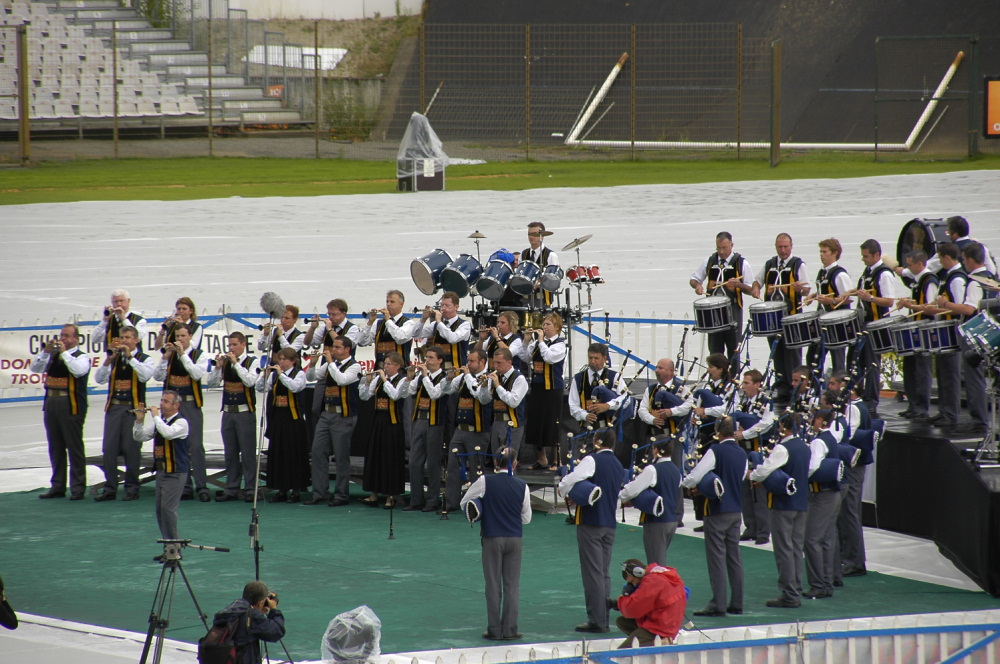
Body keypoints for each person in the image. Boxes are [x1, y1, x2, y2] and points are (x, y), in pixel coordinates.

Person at [558, 430, 625, 633]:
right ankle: (602, 616)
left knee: (592, 574)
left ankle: (596, 620)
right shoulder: (618, 465)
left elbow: (572, 479)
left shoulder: (591, 459)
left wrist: (564, 489)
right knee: (604, 573)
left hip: (591, 522)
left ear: (597, 442)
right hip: (609, 524)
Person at [682, 416, 747, 617]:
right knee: (734, 557)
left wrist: (688, 484)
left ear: (718, 432)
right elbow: (742, 477)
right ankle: (737, 602)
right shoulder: (742, 453)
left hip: (717, 510)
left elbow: (697, 474)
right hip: (736, 510)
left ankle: (718, 603)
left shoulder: (716, 450)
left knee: (716, 558)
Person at [460, 466, 531, 641]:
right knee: (512, 585)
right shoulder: (523, 485)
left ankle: (494, 629)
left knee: (492, 584)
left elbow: (465, 503)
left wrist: (484, 510)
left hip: (492, 538)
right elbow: (526, 518)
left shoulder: (485, 481)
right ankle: (510, 629)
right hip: (514, 539)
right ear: (514, 464)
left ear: (496, 463)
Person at [934, 242, 996, 435]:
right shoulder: (992, 278)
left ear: (969, 260)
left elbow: (970, 308)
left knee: (973, 378)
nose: (963, 263)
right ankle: (981, 418)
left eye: (964, 259)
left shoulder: (975, 281)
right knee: (981, 377)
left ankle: (979, 420)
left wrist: (947, 303)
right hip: (991, 332)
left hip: (975, 333)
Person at [93, 326, 157, 501]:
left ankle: (132, 488)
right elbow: (99, 379)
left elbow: (145, 376)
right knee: (109, 449)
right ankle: (110, 488)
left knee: (132, 449)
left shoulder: (145, 359)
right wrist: (107, 361)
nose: (124, 340)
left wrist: (130, 357)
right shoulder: (114, 358)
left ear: (136, 340)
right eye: (122, 337)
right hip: (114, 408)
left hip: (132, 408)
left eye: (128, 337)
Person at [29, 324, 91, 500]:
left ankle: (78, 487)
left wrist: (64, 353)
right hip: (52, 401)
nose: (63, 339)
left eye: (67, 336)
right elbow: (35, 369)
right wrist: (45, 352)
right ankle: (58, 485)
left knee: (74, 446)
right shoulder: (53, 355)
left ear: (76, 339)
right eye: (62, 335)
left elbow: (78, 372)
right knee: (55, 446)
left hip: (70, 404)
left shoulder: (81, 357)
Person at [153, 324, 210, 502]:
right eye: (177, 336)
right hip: (172, 407)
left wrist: (182, 354)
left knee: (196, 446)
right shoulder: (170, 355)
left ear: (190, 336)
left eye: (183, 336)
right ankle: (184, 486)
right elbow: (158, 377)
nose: (180, 339)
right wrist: (164, 358)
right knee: (178, 447)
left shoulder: (198, 354)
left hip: (190, 404)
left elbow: (196, 374)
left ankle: (202, 485)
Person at [752, 233, 810, 406]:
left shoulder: (798, 265)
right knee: (777, 355)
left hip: (791, 318)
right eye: (780, 247)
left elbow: (807, 290)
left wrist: (801, 289)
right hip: (773, 320)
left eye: (786, 247)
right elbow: (757, 281)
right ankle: (783, 389)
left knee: (793, 356)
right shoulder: (770, 264)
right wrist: (756, 289)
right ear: (776, 247)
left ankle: (797, 392)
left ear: (791, 246)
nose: (783, 250)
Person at [304, 336, 362, 505]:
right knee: (317, 452)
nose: (333, 350)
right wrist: (313, 363)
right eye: (332, 347)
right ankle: (320, 492)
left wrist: (330, 362)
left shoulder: (355, 366)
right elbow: (312, 377)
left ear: (347, 350)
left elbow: (342, 380)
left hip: (343, 416)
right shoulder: (331, 365)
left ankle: (341, 494)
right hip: (326, 414)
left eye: (337, 347)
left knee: (341, 455)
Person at [205, 331, 260, 502]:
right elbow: (211, 383)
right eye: (230, 345)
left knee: (248, 452)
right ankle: (232, 488)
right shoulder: (227, 362)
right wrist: (218, 367)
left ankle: (251, 488)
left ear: (244, 345)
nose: (231, 348)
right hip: (228, 412)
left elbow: (250, 381)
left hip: (244, 412)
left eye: (235, 344)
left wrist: (236, 364)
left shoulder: (253, 361)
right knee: (230, 452)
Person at [636, 358, 691, 525]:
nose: (657, 370)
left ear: (670, 371)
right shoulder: (651, 390)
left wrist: (671, 411)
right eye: (657, 367)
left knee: (674, 475)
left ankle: (676, 513)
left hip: (673, 438)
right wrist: (652, 419)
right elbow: (642, 410)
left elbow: (689, 405)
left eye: (661, 368)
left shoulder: (681, 388)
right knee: (652, 474)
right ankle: (655, 509)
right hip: (655, 437)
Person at [689, 232, 753, 373]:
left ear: (732, 245)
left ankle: (733, 380)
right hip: (713, 312)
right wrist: (697, 286)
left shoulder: (742, 263)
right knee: (715, 349)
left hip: (733, 310)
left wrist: (739, 285)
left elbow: (751, 289)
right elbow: (694, 278)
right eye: (719, 248)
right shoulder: (710, 261)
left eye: (724, 248)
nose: (721, 252)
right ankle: (716, 380)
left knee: (733, 349)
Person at [917, 242, 966, 428]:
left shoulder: (957, 279)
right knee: (943, 373)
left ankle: (951, 413)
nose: (939, 261)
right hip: (943, 331)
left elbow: (961, 308)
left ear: (946, 257)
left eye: (940, 258)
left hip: (952, 331)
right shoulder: (947, 276)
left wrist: (943, 305)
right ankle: (943, 410)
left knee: (951, 375)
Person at [132, 391, 189, 542]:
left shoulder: (181, 423)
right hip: (162, 472)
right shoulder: (160, 422)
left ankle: (174, 547)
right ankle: (167, 546)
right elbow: (140, 437)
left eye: (166, 402)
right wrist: (139, 421)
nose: (161, 404)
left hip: (176, 472)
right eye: (161, 401)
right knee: (160, 511)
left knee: (168, 510)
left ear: (176, 405)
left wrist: (156, 416)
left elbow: (168, 433)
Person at [257, 347, 310, 502]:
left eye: (284, 359)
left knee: (293, 455)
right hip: (278, 418)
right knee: (279, 454)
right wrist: (264, 376)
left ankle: (296, 489)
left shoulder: (299, 374)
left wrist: (281, 375)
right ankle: (281, 489)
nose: (281, 362)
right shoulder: (274, 375)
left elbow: (295, 387)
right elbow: (260, 388)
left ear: (293, 361)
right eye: (279, 359)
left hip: (293, 420)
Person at [851, 239, 896, 415]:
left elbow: (889, 300)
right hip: (864, 323)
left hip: (876, 324)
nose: (863, 259)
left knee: (872, 363)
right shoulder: (868, 271)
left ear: (876, 255)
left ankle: (871, 401)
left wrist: (869, 298)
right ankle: (859, 396)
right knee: (859, 361)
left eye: (866, 256)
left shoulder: (884, 274)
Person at [618, 439, 681, 566]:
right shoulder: (676, 470)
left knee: (656, 565)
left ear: (657, 450)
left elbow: (632, 490)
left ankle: (661, 586)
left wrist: (621, 496)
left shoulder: (652, 469)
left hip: (656, 522)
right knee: (659, 560)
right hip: (672, 521)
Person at [359, 352, 410, 509]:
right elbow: (364, 396)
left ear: (397, 366)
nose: (385, 367)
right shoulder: (379, 380)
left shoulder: (403, 380)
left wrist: (384, 379)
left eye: (388, 364)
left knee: (390, 459)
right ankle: (373, 494)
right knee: (375, 457)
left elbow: (395, 395)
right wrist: (367, 383)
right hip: (378, 422)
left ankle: (390, 496)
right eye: (384, 364)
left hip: (393, 424)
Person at [803, 405, 843, 599]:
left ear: (822, 421)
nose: (812, 421)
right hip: (832, 494)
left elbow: (812, 467)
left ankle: (818, 584)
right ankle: (826, 582)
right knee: (826, 540)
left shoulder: (819, 442)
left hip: (821, 495)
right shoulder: (831, 438)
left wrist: (798, 477)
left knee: (811, 539)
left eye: (815, 418)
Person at [404, 346, 451, 512]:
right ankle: (416, 500)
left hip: (435, 423)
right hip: (419, 421)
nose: (427, 361)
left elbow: (434, 394)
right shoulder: (420, 376)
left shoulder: (445, 378)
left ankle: (432, 500)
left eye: (431, 358)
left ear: (440, 360)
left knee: (433, 463)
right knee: (414, 462)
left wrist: (424, 376)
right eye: (426, 357)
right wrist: (410, 378)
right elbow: (409, 393)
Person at [445, 349, 493, 511]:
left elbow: (480, 395)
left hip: (477, 431)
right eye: (468, 360)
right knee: (452, 466)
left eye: (472, 361)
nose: (468, 364)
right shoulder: (464, 377)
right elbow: (446, 390)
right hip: (459, 430)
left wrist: (466, 375)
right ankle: (451, 502)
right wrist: (449, 378)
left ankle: (475, 504)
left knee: (476, 469)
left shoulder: (488, 378)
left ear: (482, 362)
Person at [733, 369, 775, 545]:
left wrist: (746, 434)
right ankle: (750, 526)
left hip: (760, 447)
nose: (743, 387)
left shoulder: (767, 402)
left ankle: (763, 530)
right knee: (744, 487)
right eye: (743, 383)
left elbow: (766, 423)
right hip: (744, 448)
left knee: (758, 488)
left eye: (747, 383)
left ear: (758, 385)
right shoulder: (743, 402)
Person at [520, 312, 567, 469]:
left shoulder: (560, 345)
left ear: (557, 328)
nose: (544, 327)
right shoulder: (538, 343)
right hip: (538, 386)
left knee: (552, 423)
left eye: (548, 325)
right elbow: (525, 357)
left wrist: (540, 341)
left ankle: (557, 460)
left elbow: (549, 357)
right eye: (544, 324)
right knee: (536, 422)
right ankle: (541, 458)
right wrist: (526, 341)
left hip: (553, 388)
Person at [896, 250, 938, 420]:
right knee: (910, 368)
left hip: (925, 330)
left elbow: (930, 308)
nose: (908, 267)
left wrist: (911, 306)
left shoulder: (929, 281)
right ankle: (913, 404)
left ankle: (922, 407)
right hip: (915, 329)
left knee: (922, 370)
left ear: (920, 264)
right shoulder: (917, 280)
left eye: (910, 264)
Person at [613, 559, 687, 648]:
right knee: (622, 622)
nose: (633, 584)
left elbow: (631, 610)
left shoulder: (652, 581)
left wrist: (625, 595)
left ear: (638, 573)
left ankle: (658, 642)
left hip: (659, 627)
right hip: (669, 622)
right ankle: (653, 641)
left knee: (622, 652)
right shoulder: (663, 574)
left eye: (632, 581)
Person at [211, 581, 286, 664]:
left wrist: (260, 612)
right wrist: (274, 609)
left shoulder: (231, 610)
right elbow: (277, 631)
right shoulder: (251, 616)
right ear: (261, 603)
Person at [808, 238, 852, 373]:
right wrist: (814, 295)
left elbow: (848, 298)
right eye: (820, 251)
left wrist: (831, 301)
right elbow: (826, 290)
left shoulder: (840, 274)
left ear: (834, 253)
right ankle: (815, 388)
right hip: (822, 322)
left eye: (825, 252)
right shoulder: (823, 272)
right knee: (813, 356)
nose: (821, 255)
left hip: (837, 323)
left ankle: (838, 389)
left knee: (837, 358)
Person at [568, 342, 627, 431]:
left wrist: (608, 406)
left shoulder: (614, 376)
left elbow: (625, 399)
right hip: (585, 428)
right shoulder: (578, 378)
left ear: (604, 359)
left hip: (607, 428)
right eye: (590, 358)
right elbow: (573, 404)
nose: (592, 361)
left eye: (596, 358)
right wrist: (585, 415)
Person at [487, 347, 528, 467]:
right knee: (497, 460)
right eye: (494, 362)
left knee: (509, 462)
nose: (495, 366)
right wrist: (484, 387)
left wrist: (498, 386)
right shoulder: (495, 377)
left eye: (499, 363)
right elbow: (485, 400)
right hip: (497, 422)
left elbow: (513, 402)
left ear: (509, 362)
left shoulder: (519, 378)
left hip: (512, 423)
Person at [359, 289, 420, 368]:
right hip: (380, 370)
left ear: (401, 304)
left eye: (392, 302)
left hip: (400, 372)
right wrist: (370, 323)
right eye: (387, 301)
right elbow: (362, 342)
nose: (388, 304)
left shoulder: (408, 323)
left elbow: (400, 338)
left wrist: (388, 320)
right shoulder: (378, 323)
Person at [419, 291, 472, 370]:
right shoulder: (435, 324)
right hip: (437, 370)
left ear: (456, 307)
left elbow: (452, 339)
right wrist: (423, 319)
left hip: (456, 370)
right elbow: (416, 334)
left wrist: (439, 322)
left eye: (447, 306)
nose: (443, 308)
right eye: (442, 305)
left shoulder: (464, 325)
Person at [93, 289, 147, 355]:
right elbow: (95, 340)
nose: (119, 304)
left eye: (121, 301)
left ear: (128, 301)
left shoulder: (139, 320)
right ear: (112, 303)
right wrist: (104, 321)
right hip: (114, 361)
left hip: (134, 360)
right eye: (116, 302)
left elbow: (137, 337)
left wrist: (124, 319)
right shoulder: (109, 320)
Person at [521, 221, 560, 307]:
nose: (531, 237)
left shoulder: (550, 255)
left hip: (542, 299)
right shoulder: (524, 253)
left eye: (535, 234)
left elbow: (553, 280)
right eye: (529, 234)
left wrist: (538, 284)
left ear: (542, 236)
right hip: (525, 299)